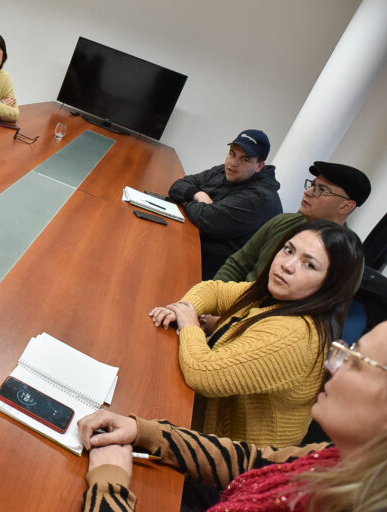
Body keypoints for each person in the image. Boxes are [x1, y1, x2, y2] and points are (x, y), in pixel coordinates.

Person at [78, 321, 387, 512]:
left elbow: (204, 373)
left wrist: (109, 485)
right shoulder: (338, 460)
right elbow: (252, 462)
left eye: (356, 362)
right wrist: (144, 431)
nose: (332, 366)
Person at [149, 220, 363, 446]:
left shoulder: (297, 336)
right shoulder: (274, 296)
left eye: (308, 264)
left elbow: (203, 374)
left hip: (228, 463)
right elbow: (214, 290)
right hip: (200, 429)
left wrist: (188, 324)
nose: (287, 265)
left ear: (331, 284)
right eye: (288, 250)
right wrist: (184, 309)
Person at [214, 161, 371, 283]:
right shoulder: (284, 221)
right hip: (231, 300)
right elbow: (237, 264)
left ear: (346, 206)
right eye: (312, 185)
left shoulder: (346, 258)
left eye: (321, 189)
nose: (308, 192)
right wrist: (211, 299)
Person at [168, 130, 282, 279]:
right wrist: (199, 195)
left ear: (259, 166)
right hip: (190, 244)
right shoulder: (226, 170)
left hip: (209, 273)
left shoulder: (259, 198)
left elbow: (206, 220)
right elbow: (177, 186)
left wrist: (185, 200)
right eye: (232, 153)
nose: (233, 163)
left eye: (245, 159)